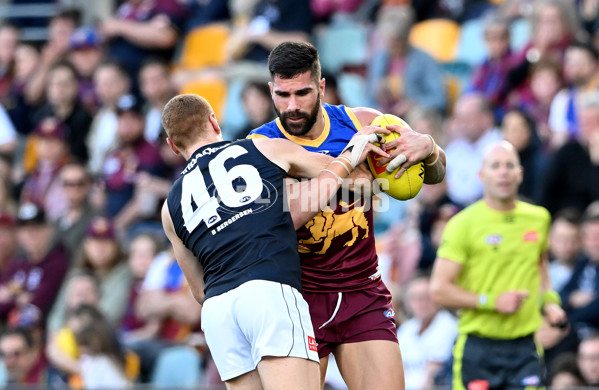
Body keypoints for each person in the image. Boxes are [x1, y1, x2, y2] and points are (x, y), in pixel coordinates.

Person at [248, 41, 447, 389]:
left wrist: (428, 148)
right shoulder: (259, 146)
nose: (292, 106)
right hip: (299, 299)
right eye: (283, 95)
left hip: (362, 291)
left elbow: (435, 174)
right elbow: (284, 219)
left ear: (322, 86)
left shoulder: (363, 122)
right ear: (271, 90)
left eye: (303, 93)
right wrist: (343, 167)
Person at [160, 93, 387, 389]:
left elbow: (199, 290)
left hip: (218, 312)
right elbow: (357, 184)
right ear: (214, 122)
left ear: (172, 145)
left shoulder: (169, 207)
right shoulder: (262, 148)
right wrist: (353, 155)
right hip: (268, 290)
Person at [430, 141, 567, 390]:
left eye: (509, 165)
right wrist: (492, 301)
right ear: (481, 175)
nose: (503, 172)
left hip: (525, 346)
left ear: (520, 174)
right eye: (495, 166)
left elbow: (539, 266)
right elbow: (439, 289)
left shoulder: (539, 218)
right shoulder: (463, 224)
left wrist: (549, 302)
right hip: (478, 348)